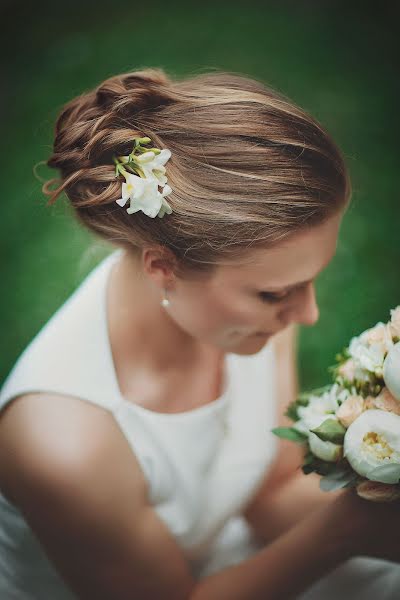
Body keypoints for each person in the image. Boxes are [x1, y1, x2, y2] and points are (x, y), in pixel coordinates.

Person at [0, 67, 399, 600]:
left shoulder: (247, 310)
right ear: (163, 267)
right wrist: (346, 530)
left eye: (310, 282)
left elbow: (271, 496)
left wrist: (383, 485)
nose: (307, 315)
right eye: (276, 293)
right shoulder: (63, 442)